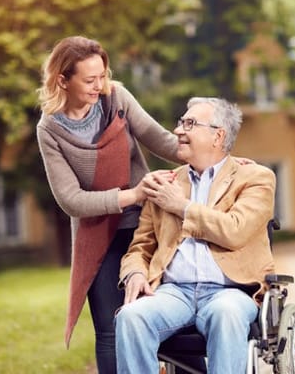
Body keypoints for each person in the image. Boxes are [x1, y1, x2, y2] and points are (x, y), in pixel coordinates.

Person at [36, 35, 182, 374]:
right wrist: (132, 194)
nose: (99, 85)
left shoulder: (116, 98)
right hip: (97, 236)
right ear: (62, 80)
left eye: (102, 75)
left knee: (165, 319)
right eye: (89, 80)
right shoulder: (50, 130)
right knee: (109, 328)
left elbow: (161, 140)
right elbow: (71, 200)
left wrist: (220, 158)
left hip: (147, 227)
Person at [115, 97, 276, 373]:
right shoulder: (164, 182)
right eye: (180, 123)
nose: (178, 130)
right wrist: (135, 273)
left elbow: (234, 230)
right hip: (173, 292)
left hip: (230, 291)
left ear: (218, 136)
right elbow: (140, 248)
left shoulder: (256, 178)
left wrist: (181, 207)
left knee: (226, 314)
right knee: (131, 316)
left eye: (189, 123)